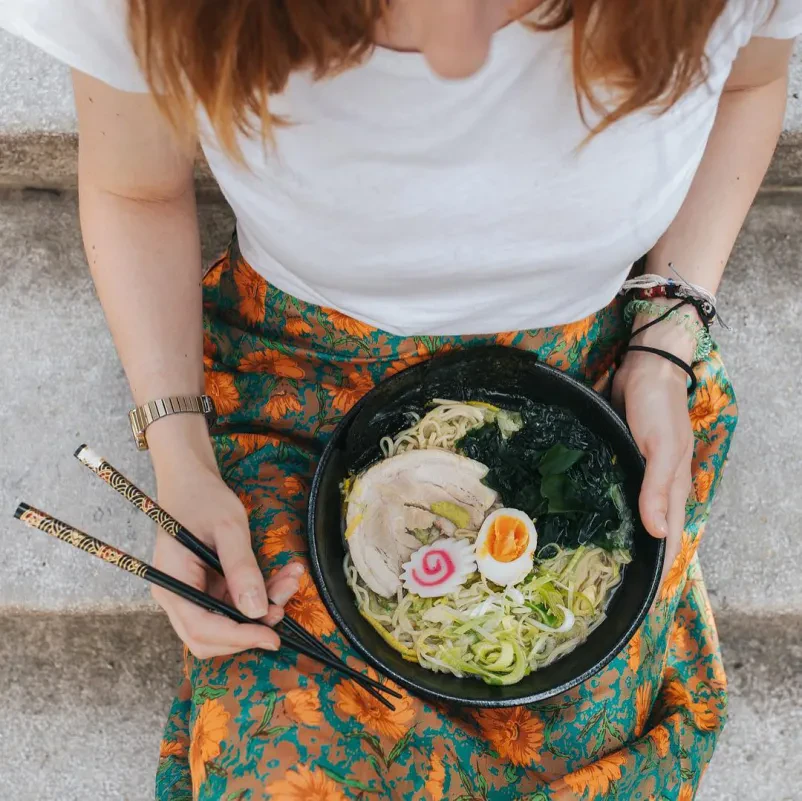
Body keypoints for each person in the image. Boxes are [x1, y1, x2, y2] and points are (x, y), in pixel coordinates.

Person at [3, 0, 800, 798]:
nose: (460, 52)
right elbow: (135, 188)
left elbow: (747, 85)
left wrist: (663, 344)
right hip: (299, 376)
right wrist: (179, 455)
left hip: (581, 384)